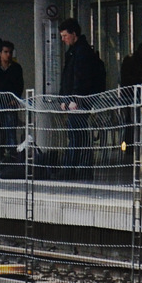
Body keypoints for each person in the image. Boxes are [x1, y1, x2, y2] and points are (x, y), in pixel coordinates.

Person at [58, 18, 104, 180]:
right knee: (77, 134)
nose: (63, 39)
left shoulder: (81, 52)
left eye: (65, 35)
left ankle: (74, 169)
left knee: (78, 135)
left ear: (74, 34)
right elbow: (69, 77)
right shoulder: (74, 51)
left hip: (78, 100)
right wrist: (64, 98)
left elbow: (80, 77)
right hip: (74, 99)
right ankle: (76, 168)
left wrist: (74, 98)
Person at [0, 40, 24, 162]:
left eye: (10, 52)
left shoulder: (16, 68)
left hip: (10, 103)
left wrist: (15, 99)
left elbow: (19, 85)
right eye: (6, 52)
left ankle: (12, 156)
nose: (8, 55)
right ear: (0, 53)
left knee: (10, 130)